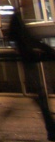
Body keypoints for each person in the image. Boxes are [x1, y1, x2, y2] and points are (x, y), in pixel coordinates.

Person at [8, 8, 55, 142]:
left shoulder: (18, 20)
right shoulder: (19, 20)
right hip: (31, 61)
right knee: (41, 94)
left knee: (41, 95)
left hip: (30, 60)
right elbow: (29, 40)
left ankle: (51, 128)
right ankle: (51, 128)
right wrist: (46, 49)